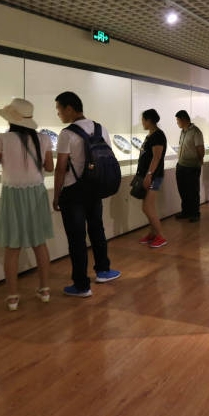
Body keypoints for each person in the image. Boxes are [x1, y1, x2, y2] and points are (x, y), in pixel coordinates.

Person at [0, 98, 54, 311]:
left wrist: (6, 161)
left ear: (10, 119)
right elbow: (49, 167)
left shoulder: (3, 139)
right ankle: (45, 290)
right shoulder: (43, 139)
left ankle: (13, 297)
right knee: (40, 243)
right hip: (36, 193)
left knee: (12, 247)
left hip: (12, 194)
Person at [52, 91, 121, 297]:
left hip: (73, 191)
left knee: (77, 238)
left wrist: (56, 195)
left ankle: (82, 285)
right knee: (97, 229)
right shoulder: (100, 128)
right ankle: (103, 271)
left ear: (69, 108)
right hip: (95, 188)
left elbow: (61, 167)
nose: (58, 114)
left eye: (59, 109)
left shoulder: (67, 134)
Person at [137, 109, 168, 248]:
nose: (142, 123)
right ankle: (153, 233)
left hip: (154, 176)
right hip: (148, 175)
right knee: (147, 206)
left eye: (143, 120)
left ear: (149, 120)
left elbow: (156, 157)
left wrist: (149, 174)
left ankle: (161, 236)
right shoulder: (151, 135)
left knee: (147, 207)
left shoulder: (158, 135)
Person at [174, 109, 205, 221]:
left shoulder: (196, 132)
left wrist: (199, 160)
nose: (177, 123)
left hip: (192, 167)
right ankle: (186, 211)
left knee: (193, 191)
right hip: (181, 165)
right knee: (183, 190)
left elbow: (200, 149)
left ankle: (195, 213)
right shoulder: (183, 131)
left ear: (183, 119)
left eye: (178, 120)